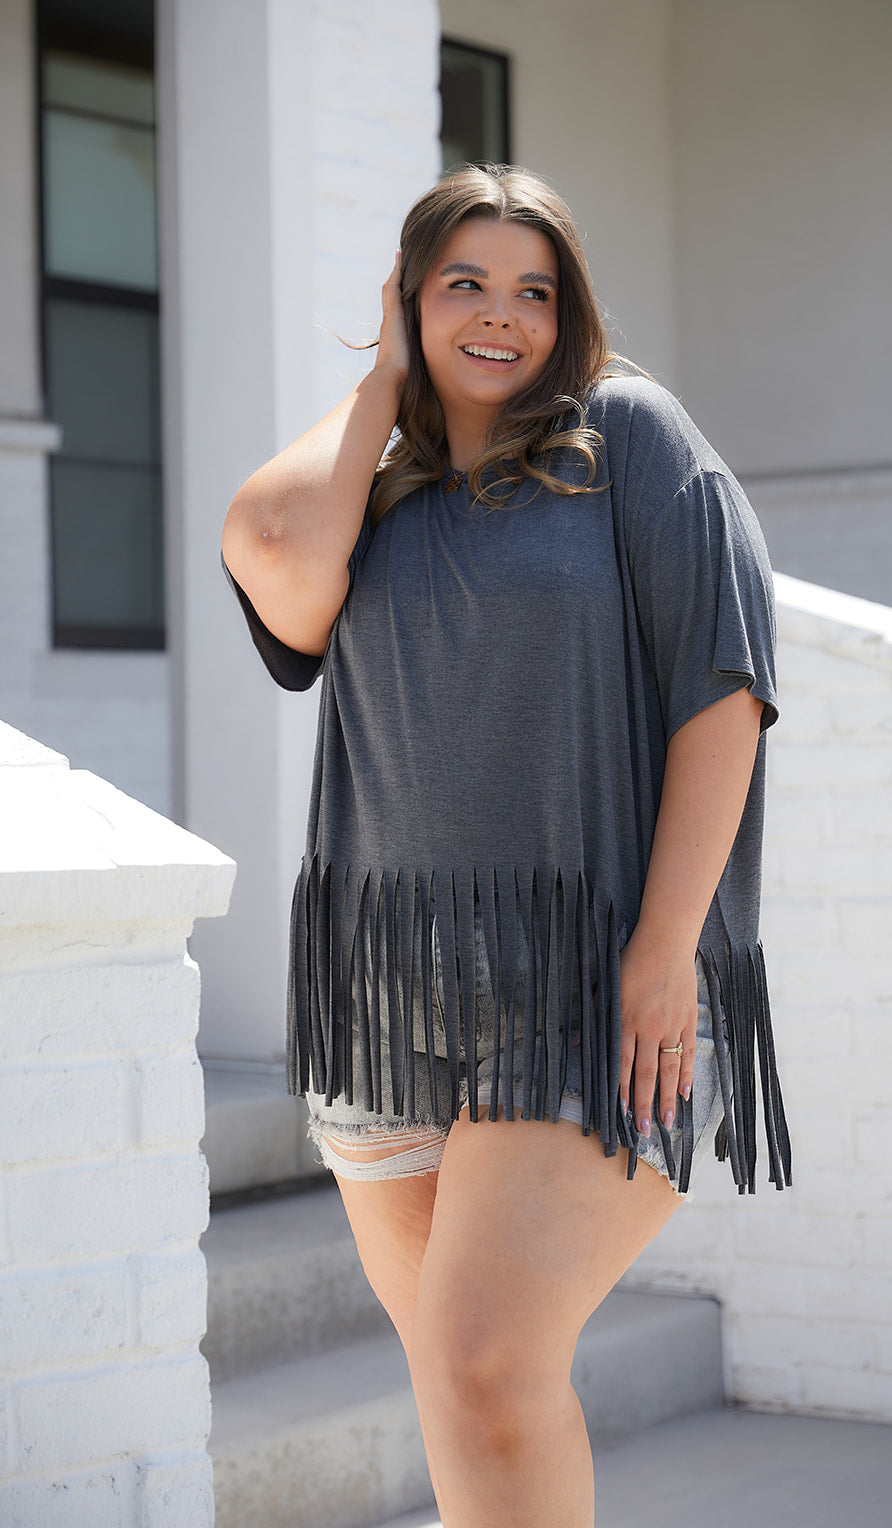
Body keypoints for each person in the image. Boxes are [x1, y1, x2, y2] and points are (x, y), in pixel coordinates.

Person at [222, 164, 790, 1528]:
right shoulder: (374, 493)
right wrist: (384, 382)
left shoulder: (629, 438)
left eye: (534, 291)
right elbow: (270, 551)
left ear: (569, 311)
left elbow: (725, 694)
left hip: (592, 988)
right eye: (463, 284)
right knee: (463, 1385)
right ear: (408, 299)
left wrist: (667, 949)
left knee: (485, 1362)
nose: (500, 315)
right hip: (385, 1004)